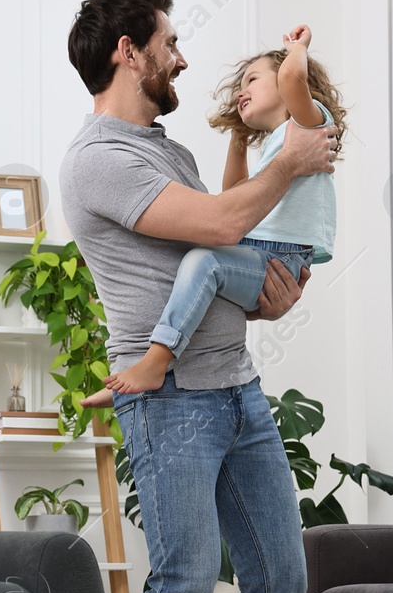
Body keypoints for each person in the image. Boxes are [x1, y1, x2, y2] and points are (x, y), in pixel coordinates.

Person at [58, 0, 337, 593]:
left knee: (281, 578)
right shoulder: (99, 159)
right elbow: (217, 231)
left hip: (237, 389)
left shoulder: (170, 150)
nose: (182, 57)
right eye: (170, 42)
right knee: (181, 581)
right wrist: (289, 157)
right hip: (170, 396)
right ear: (127, 51)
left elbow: (232, 246)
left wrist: (272, 293)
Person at [89, 23, 346, 401]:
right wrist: (240, 140)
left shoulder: (309, 126)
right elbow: (233, 197)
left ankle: (155, 361)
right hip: (259, 254)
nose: (242, 91)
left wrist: (298, 47)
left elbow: (292, 76)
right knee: (206, 267)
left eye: (253, 79)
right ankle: (134, 380)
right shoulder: (280, 147)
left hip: (279, 259)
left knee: (204, 260)